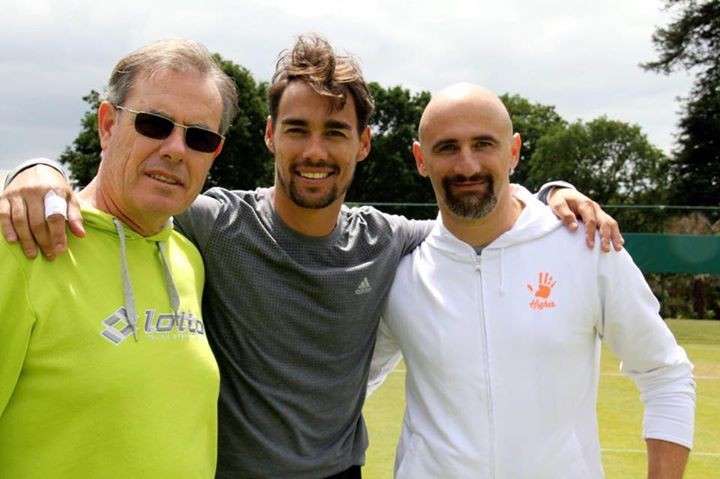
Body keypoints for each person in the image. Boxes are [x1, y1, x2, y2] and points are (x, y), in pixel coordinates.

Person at [1, 35, 624, 478]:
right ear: (270, 135)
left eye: (335, 132)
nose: (314, 151)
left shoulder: (390, 241)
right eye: (297, 129)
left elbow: (475, 211)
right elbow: (120, 191)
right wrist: (34, 169)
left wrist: (549, 194)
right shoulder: (211, 225)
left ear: (364, 145)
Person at [369, 83, 695, 478]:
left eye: (484, 144)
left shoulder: (587, 246)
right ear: (421, 159)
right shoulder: (401, 269)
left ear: (514, 151)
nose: (467, 165)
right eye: (447, 147)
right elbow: (345, 386)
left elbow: (665, 374)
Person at [0, 39, 239, 478]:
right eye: (154, 124)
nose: (175, 149)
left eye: (199, 136)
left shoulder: (187, 258)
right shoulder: (21, 242)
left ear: (214, 154)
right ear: (107, 124)